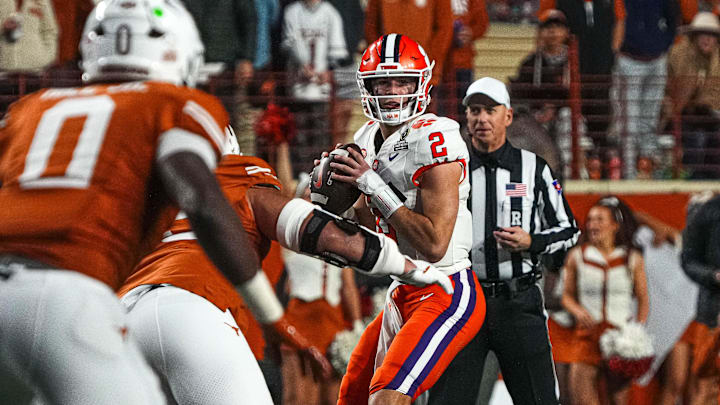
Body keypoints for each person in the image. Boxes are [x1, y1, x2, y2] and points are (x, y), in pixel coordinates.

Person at [0, 2, 450, 403]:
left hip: (107, 305)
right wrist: (410, 267)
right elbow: (311, 227)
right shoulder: (203, 140)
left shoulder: (33, 110)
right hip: (161, 307)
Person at [331, 34, 486, 405]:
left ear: (422, 85)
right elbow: (370, 224)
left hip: (445, 289)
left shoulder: (437, 136)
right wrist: (332, 205)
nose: (393, 91)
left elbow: (434, 245)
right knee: (352, 393)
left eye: (403, 81)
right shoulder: (366, 137)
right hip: (402, 290)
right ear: (367, 88)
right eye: (383, 82)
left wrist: (371, 183)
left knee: (388, 397)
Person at [427, 76, 580, 405]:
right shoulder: (448, 170)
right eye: (475, 111)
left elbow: (569, 231)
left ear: (507, 117)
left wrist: (531, 242)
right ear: (465, 118)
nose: (482, 118)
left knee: (538, 400)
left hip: (518, 301)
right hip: (462, 302)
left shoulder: (534, 169)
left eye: (490, 111)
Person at [561, 196, 649, 405]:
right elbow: (566, 295)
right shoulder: (577, 256)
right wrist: (577, 311)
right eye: (590, 220)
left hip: (619, 338)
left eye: (600, 219)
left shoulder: (631, 258)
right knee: (581, 398)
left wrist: (636, 332)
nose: (593, 225)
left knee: (619, 400)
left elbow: (643, 298)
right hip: (586, 335)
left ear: (615, 226)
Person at [664, 12, 720, 179]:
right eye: (703, 34)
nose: (707, 39)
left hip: (712, 115)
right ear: (695, 36)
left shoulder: (718, 58)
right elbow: (676, 94)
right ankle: (692, 179)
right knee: (696, 137)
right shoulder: (679, 54)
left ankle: (712, 180)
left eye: (711, 35)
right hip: (681, 114)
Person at [680, 192, 720, 405]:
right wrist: (713, 276)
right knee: (707, 385)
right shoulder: (709, 211)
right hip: (713, 313)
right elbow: (688, 259)